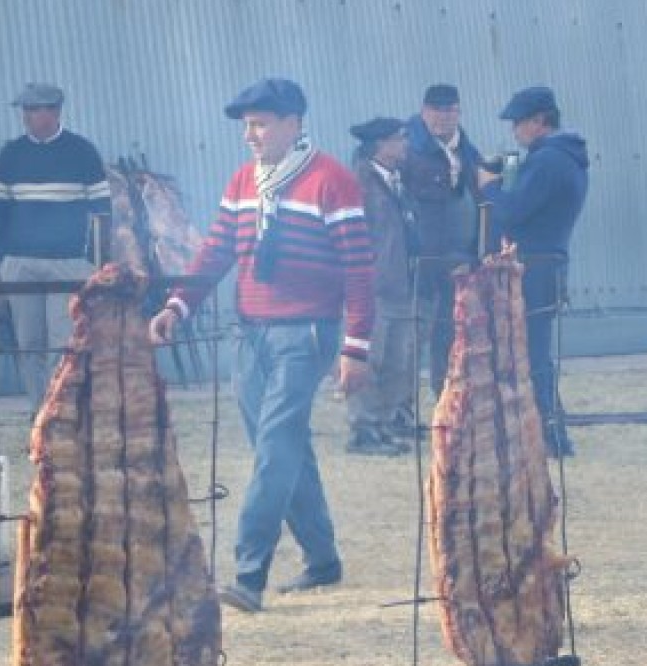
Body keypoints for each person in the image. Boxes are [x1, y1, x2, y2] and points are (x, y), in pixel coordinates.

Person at [149, 77, 374, 613]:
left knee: (275, 448)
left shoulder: (332, 181)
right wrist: (178, 305)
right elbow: (215, 251)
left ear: (293, 123)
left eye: (260, 124)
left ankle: (247, 574)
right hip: (249, 334)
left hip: (306, 334)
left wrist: (356, 345)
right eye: (247, 125)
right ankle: (323, 559)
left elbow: (360, 269)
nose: (250, 135)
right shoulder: (243, 183)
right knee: (285, 447)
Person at [477, 86, 588, 457]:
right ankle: (545, 430)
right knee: (533, 352)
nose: (515, 131)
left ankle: (550, 436)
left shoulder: (548, 161)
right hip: (547, 266)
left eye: (519, 122)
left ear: (540, 121)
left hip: (534, 269)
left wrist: (489, 187)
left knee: (532, 354)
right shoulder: (564, 157)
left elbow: (511, 212)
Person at [0, 83, 111, 410]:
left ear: (53, 112)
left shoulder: (82, 152)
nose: (26, 117)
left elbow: (102, 212)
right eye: (25, 111)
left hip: (68, 263)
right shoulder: (11, 154)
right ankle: (38, 413)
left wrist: (94, 263)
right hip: (20, 264)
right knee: (28, 344)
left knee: (62, 344)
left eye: (32, 110)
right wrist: (2, 261)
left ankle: (60, 414)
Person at [400, 84, 483, 396]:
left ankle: (444, 401)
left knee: (448, 336)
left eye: (450, 109)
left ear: (459, 112)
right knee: (410, 338)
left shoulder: (467, 149)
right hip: (418, 262)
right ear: (424, 111)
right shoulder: (406, 148)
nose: (443, 116)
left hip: (456, 260)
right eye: (436, 109)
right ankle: (400, 410)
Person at [346, 116, 417, 455]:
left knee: (396, 360)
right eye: (399, 139)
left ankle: (384, 421)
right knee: (370, 359)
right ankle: (363, 427)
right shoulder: (359, 183)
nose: (405, 144)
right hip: (373, 287)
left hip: (399, 285)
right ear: (381, 145)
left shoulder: (394, 179)